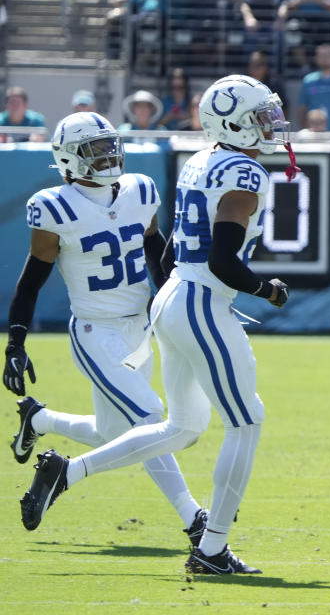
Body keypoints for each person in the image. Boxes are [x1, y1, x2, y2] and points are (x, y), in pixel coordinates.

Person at [19, 75, 295, 575]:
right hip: (200, 300)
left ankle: (68, 470)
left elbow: (165, 250)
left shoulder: (199, 160)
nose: (271, 125)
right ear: (232, 122)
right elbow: (222, 263)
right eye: (261, 117)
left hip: (170, 300)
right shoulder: (244, 173)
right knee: (246, 422)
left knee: (182, 426)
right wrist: (267, 290)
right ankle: (211, 549)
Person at [5, 111, 206, 547]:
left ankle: (39, 418)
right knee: (152, 420)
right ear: (70, 158)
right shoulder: (53, 207)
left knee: (115, 433)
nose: (108, 154)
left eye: (110, 144)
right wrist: (15, 342)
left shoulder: (140, 189)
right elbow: (31, 282)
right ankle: (195, 520)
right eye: (95, 149)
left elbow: (156, 253)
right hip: (96, 333)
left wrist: (174, 302)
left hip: (140, 328)